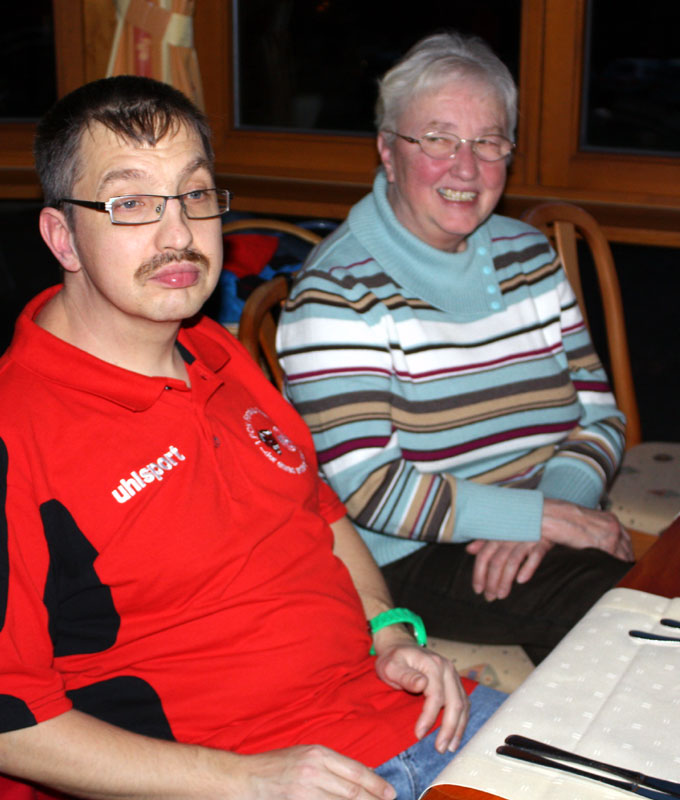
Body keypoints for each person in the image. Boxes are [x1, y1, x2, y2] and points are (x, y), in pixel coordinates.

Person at [0, 75, 505, 800]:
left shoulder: (218, 354)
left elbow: (321, 516)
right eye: (132, 204)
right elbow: (0, 730)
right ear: (63, 237)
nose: (178, 234)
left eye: (196, 195)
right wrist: (249, 780)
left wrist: (391, 633)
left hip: (421, 723)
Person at [276, 32, 634, 666]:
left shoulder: (529, 254)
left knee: (632, 631)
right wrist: (536, 520)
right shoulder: (336, 294)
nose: (465, 168)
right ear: (389, 151)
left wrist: (551, 511)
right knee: (630, 618)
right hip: (413, 552)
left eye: (488, 142)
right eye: (437, 139)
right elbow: (373, 491)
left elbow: (601, 415)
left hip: (546, 511)